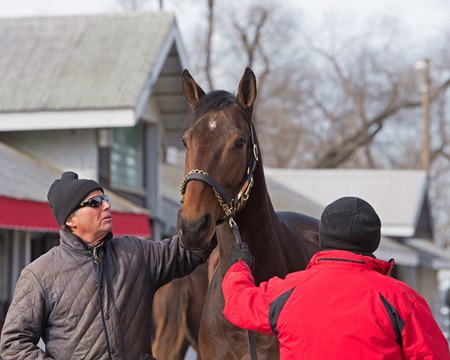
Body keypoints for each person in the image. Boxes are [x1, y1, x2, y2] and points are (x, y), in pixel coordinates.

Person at [0, 171, 215, 359]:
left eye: (105, 198)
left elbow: (188, 250)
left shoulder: (136, 253)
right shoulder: (38, 275)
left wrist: (219, 215)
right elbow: (13, 345)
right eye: (95, 203)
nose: (107, 205)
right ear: (70, 220)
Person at [222, 196, 450, 359]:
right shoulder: (402, 300)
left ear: (324, 237)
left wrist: (238, 266)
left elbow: (238, 304)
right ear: (373, 241)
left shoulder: (287, 291)